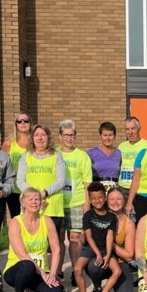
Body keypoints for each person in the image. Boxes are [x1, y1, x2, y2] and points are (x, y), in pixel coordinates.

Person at [3, 187, 65, 292]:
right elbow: (22, 255)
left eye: (37, 199)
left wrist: (52, 275)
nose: (34, 202)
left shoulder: (47, 221)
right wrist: (43, 273)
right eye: (30, 199)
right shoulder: (16, 222)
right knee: (28, 265)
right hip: (16, 270)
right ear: (23, 204)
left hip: (39, 271)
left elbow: (56, 249)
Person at [84, 187, 137, 292]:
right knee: (93, 265)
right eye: (112, 199)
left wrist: (109, 243)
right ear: (107, 200)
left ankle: (118, 283)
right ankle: (97, 287)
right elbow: (86, 241)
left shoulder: (129, 224)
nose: (115, 202)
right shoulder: (96, 217)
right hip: (100, 260)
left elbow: (129, 256)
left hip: (119, 262)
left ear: (124, 201)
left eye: (119, 199)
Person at [74, 183, 121, 292]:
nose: (97, 201)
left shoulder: (111, 216)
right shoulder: (88, 215)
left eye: (100, 197)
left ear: (105, 197)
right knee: (77, 269)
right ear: (89, 200)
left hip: (105, 249)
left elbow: (110, 236)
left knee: (117, 271)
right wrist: (98, 254)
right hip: (90, 248)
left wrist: (108, 254)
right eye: (93, 199)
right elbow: (88, 237)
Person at [58, 120, 94, 283]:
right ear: (60, 136)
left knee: (75, 239)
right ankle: (57, 273)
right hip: (57, 202)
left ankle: (75, 271)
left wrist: (87, 204)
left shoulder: (82, 156)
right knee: (57, 239)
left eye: (71, 135)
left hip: (77, 201)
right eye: (65, 135)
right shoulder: (54, 154)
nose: (69, 138)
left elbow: (88, 183)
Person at [17, 123, 66, 235]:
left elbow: (61, 181)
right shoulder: (26, 156)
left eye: (43, 135)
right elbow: (20, 181)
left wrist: (44, 193)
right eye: (36, 135)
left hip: (52, 206)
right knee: (30, 242)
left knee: (51, 246)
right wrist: (34, 196)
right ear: (32, 138)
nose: (40, 138)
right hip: (30, 206)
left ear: (48, 137)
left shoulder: (57, 156)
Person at [1, 112, 33, 219]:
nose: (23, 123)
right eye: (19, 121)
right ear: (16, 124)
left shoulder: (35, 142)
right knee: (17, 219)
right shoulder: (9, 143)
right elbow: (2, 166)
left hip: (31, 187)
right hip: (14, 189)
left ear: (30, 123)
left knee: (32, 219)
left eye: (26, 121)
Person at [117, 116, 147, 199]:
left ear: (139, 129)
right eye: (127, 129)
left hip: (139, 189)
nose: (130, 132)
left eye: (133, 128)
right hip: (123, 188)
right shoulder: (121, 146)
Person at [88, 121, 122, 192]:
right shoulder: (91, 153)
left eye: (110, 135)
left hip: (114, 192)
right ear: (100, 136)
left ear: (114, 136)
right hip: (97, 192)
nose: (108, 138)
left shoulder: (119, 153)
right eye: (105, 135)